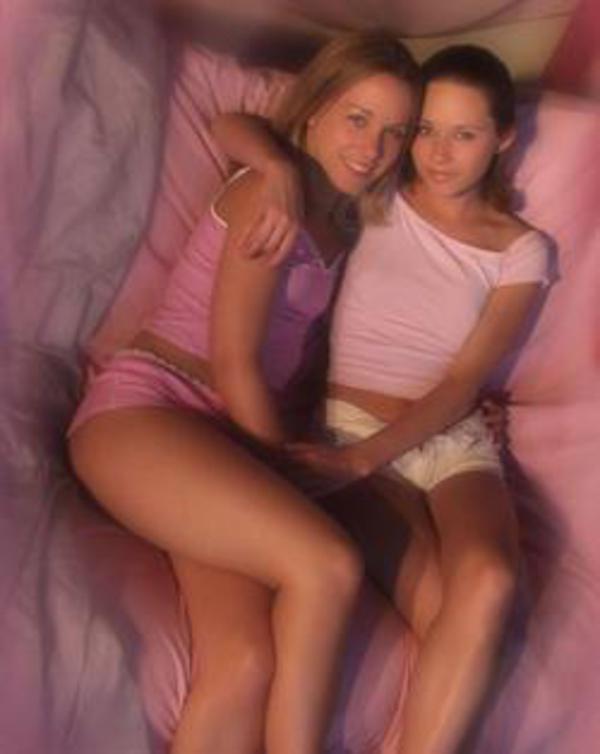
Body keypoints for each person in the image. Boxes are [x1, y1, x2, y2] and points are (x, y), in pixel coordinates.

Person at [67, 31, 421, 754]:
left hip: (216, 442)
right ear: (316, 110)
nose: (372, 147)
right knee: (327, 564)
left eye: (395, 132)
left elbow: (240, 126)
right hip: (150, 412)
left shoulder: (342, 221)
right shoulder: (270, 192)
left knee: (244, 664)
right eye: (357, 119)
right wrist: (272, 160)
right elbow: (234, 365)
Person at [212, 44, 551, 754]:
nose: (439, 154)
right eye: (425, 130)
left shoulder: (522, 250)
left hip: (447, 435)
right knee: (450, 615)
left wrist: (364, 460)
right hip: (348, 425)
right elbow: (231, 126)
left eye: (465, 134)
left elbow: (462, 383)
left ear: (503, 138)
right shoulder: (375, 191)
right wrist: (276, 167)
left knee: (490, 581)